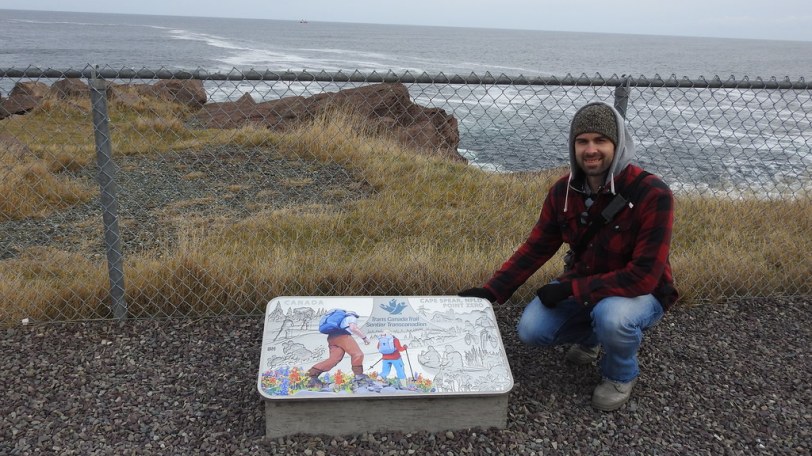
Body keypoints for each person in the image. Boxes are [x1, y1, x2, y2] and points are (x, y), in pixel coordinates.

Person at [459, 101, 677, 411]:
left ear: (618, 144)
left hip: (640, 294)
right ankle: (592, 339)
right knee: (531, 330)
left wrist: (570, 289)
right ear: (573, 146)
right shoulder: (563, 192)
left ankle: (620, 374)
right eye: (582, 141)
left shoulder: (652, 193)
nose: (591, 150)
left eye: (600, 140)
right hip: (586, 284)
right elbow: (536, 247)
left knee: (612, 317)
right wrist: (492, 290)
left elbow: (643, 277)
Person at [307, 309, 371, 388]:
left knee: (333, 360)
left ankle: (311, 374)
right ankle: (359, 377)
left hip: (332, 337)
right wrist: (364, 338)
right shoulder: (351, 317)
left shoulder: (340, 320)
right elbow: (353, 328)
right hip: (343, 337)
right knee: (358, 354)